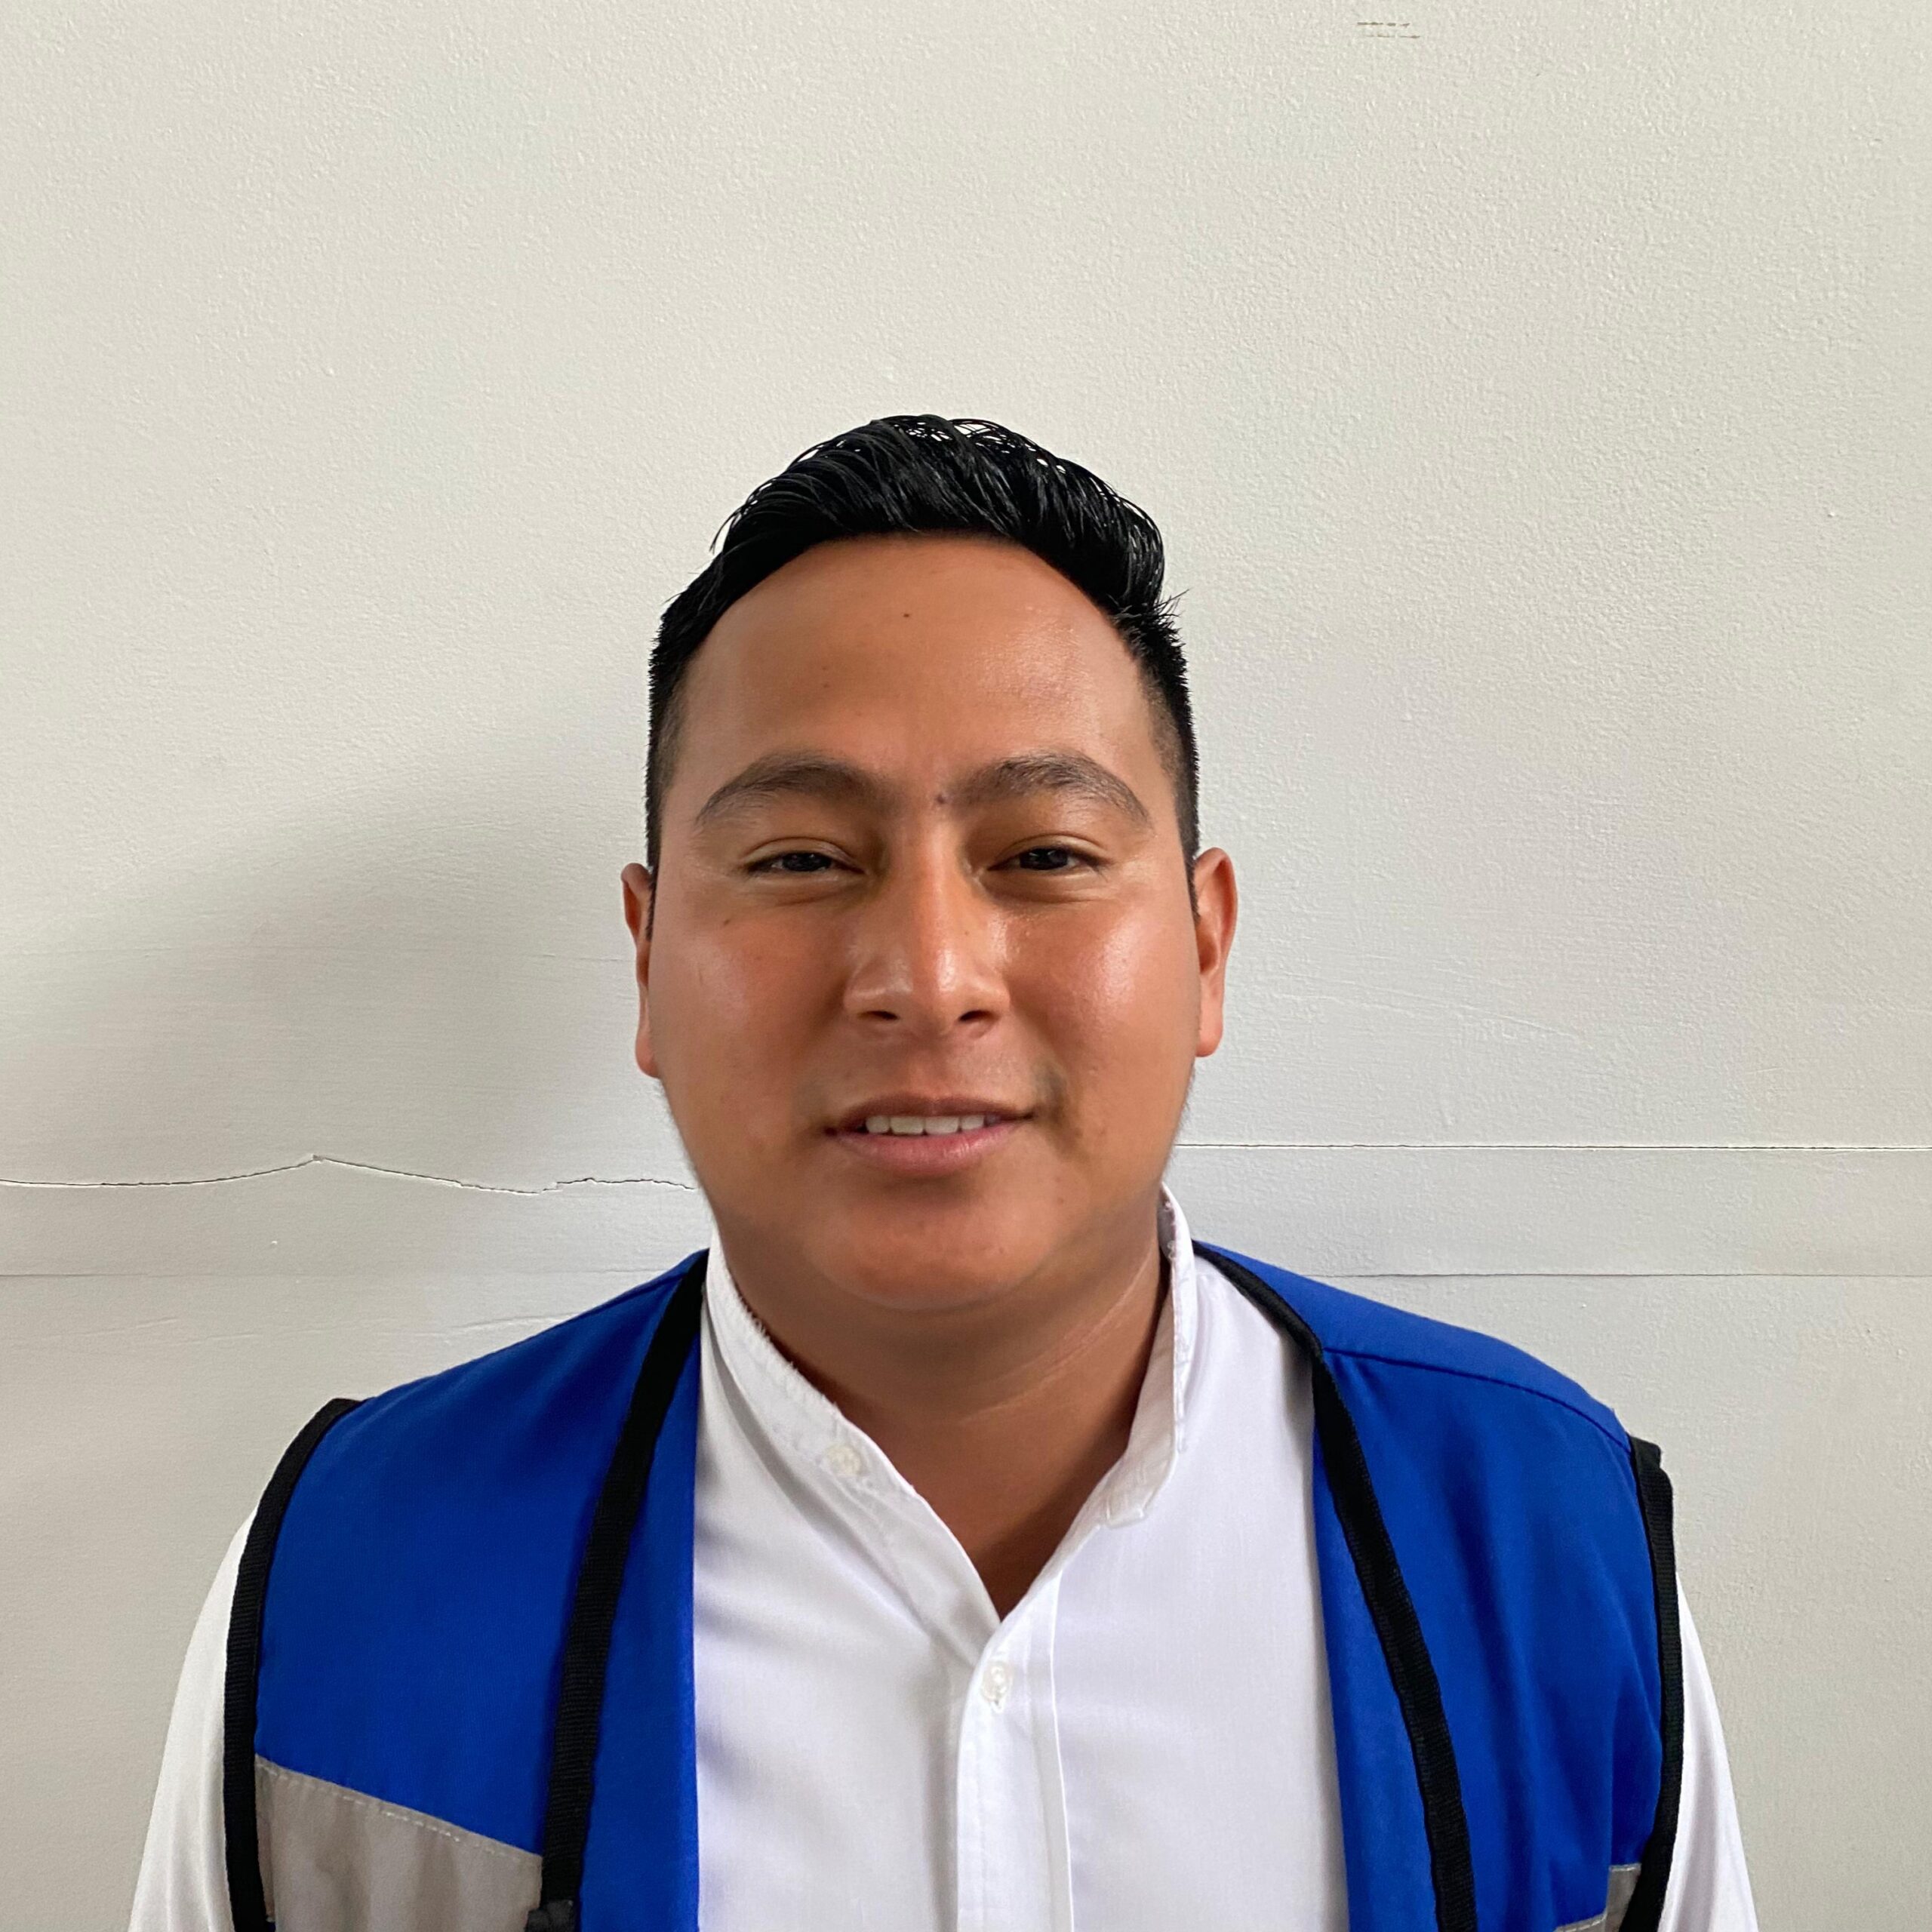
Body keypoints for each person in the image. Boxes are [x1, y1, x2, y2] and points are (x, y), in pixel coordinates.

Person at [131, 416, 1757, 1932]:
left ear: (1204, 949)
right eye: (799, 859)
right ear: (645, 957)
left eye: (1043, 854)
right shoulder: (351, 1578)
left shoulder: (1540, 1543)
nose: (925, 975)